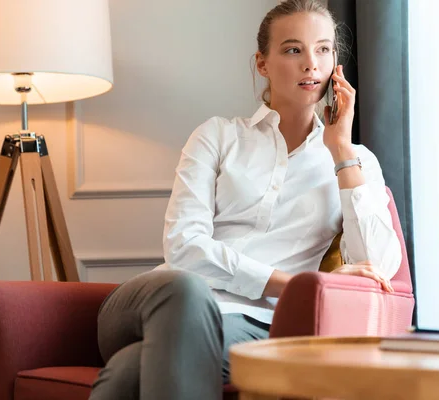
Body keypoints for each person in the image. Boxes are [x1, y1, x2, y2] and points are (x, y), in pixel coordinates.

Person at [88, 0, 402, 399]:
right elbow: (184, 246)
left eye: (323, 49)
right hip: (155, 299)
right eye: (293, 49)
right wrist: (294, 286)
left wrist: (341, 149)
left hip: (255, 324)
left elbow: (379, 265)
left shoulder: (356, 161)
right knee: (187, 291)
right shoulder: (217, 136)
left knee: (130, 370)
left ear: (335, 62)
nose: (311, 63)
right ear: (263, 64)